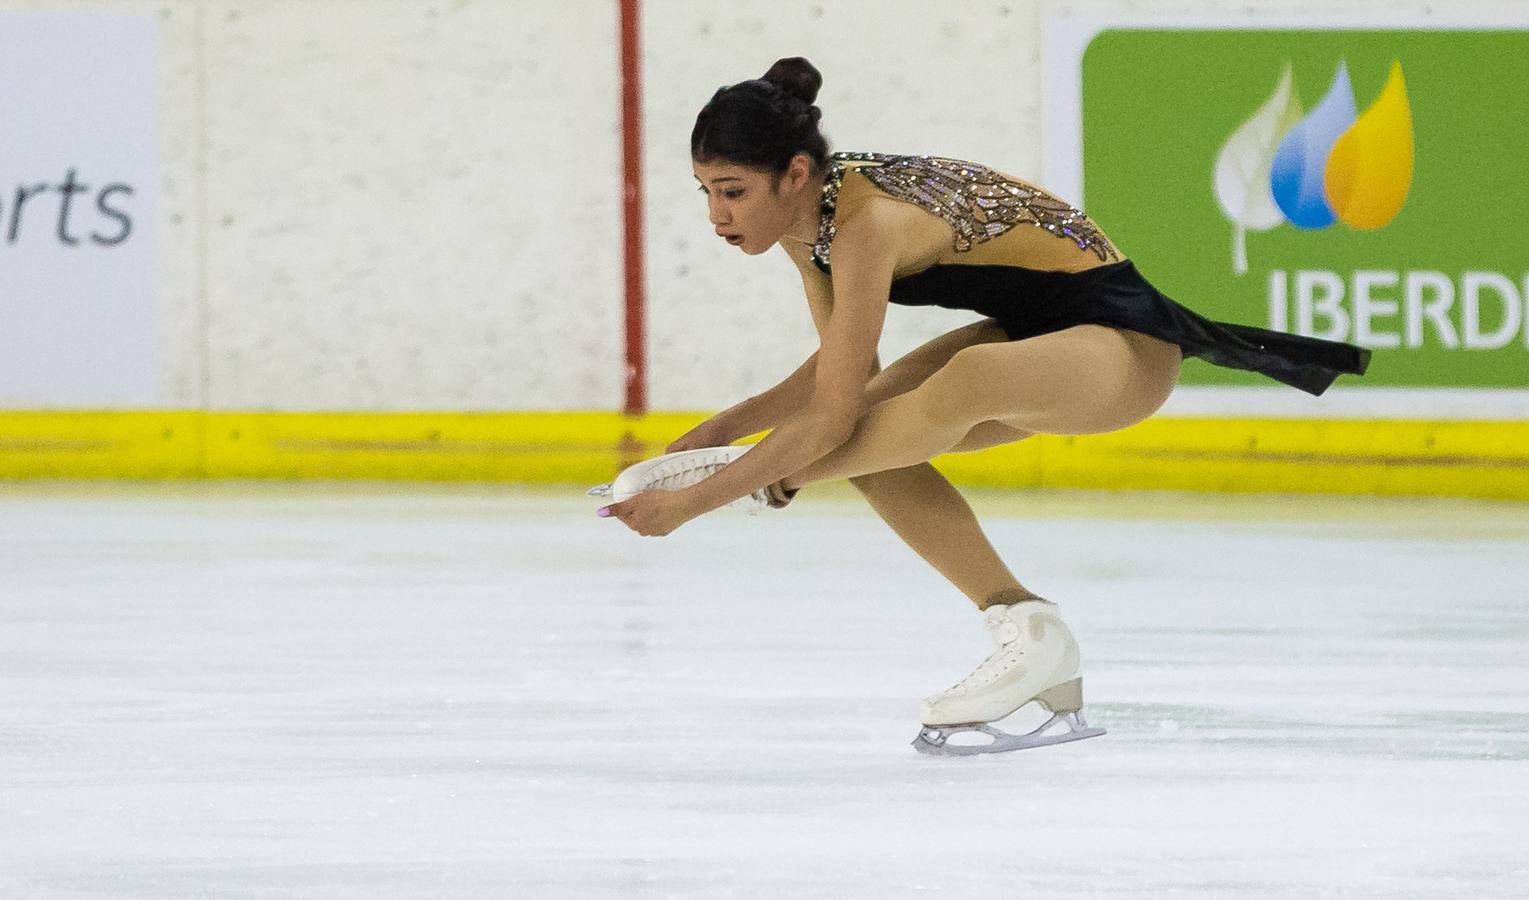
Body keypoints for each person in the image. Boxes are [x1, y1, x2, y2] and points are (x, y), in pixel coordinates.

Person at [596, 57, 1369, 754]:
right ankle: (1026, 628)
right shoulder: (810, 228)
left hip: (1123, 349)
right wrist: (723, 430)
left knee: (945, 386)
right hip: (1031, 339)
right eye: (705, 193)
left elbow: (828, 420)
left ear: (793, 174)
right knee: (880, 436)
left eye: (731, 193)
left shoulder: (862, 224)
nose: (716, 216)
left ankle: (772, 479)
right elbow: (842, 375)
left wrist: (705, 497)